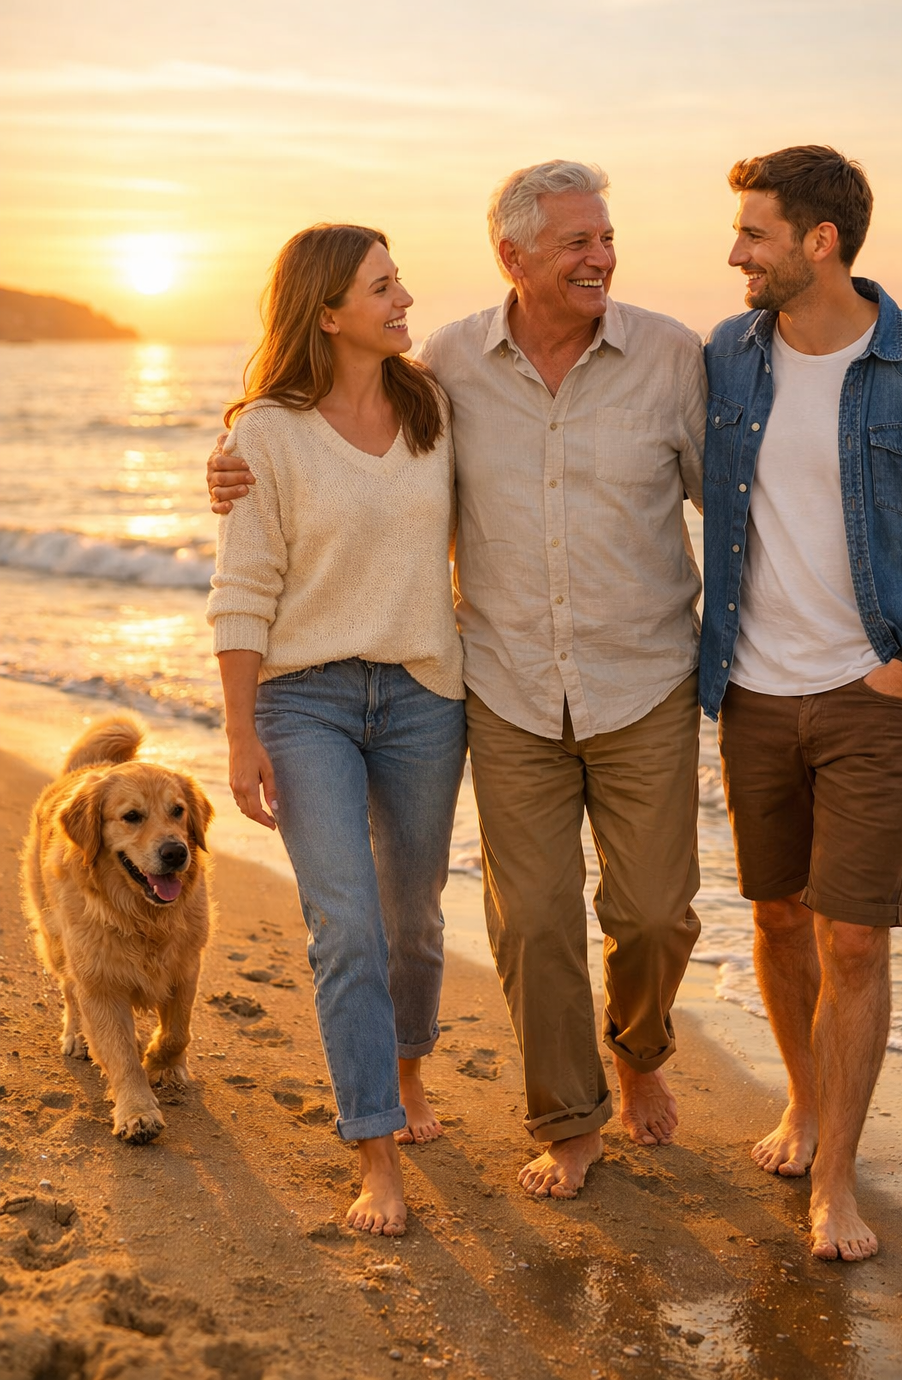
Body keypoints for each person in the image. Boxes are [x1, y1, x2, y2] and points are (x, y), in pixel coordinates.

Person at [210, 161, 708, 1201]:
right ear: (512, 256)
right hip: (420, 694)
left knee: (604, 916)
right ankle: (489, 1132)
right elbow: (283, 510)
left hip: (544, 687)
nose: (599, 257)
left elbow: (736, 500)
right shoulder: (403, 383)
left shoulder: (614, 365)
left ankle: (601, 1053)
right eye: (574, 242)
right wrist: (227, 460)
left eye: (604, 237)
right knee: (455, 922)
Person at [699, 145, 902, 1261]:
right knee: (778, 917)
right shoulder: (724, 363)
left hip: (879, 694)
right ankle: (805, 1102)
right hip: (750, 692)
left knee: (855, 944)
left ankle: (835, 1177)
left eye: (753, 233)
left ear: (817, 242)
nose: (734, 253)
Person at [207, 224, 466, 1238]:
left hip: (421, 696)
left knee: (413, 921)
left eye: (400, 282)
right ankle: (373, 1151)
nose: (405, 300)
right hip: (303, 700)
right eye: (383, 287)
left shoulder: (433, 404)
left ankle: (407, 1073)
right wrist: (239, 736)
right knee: (344, 927)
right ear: (326, 313)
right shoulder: (265, 434)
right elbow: (242, 589)